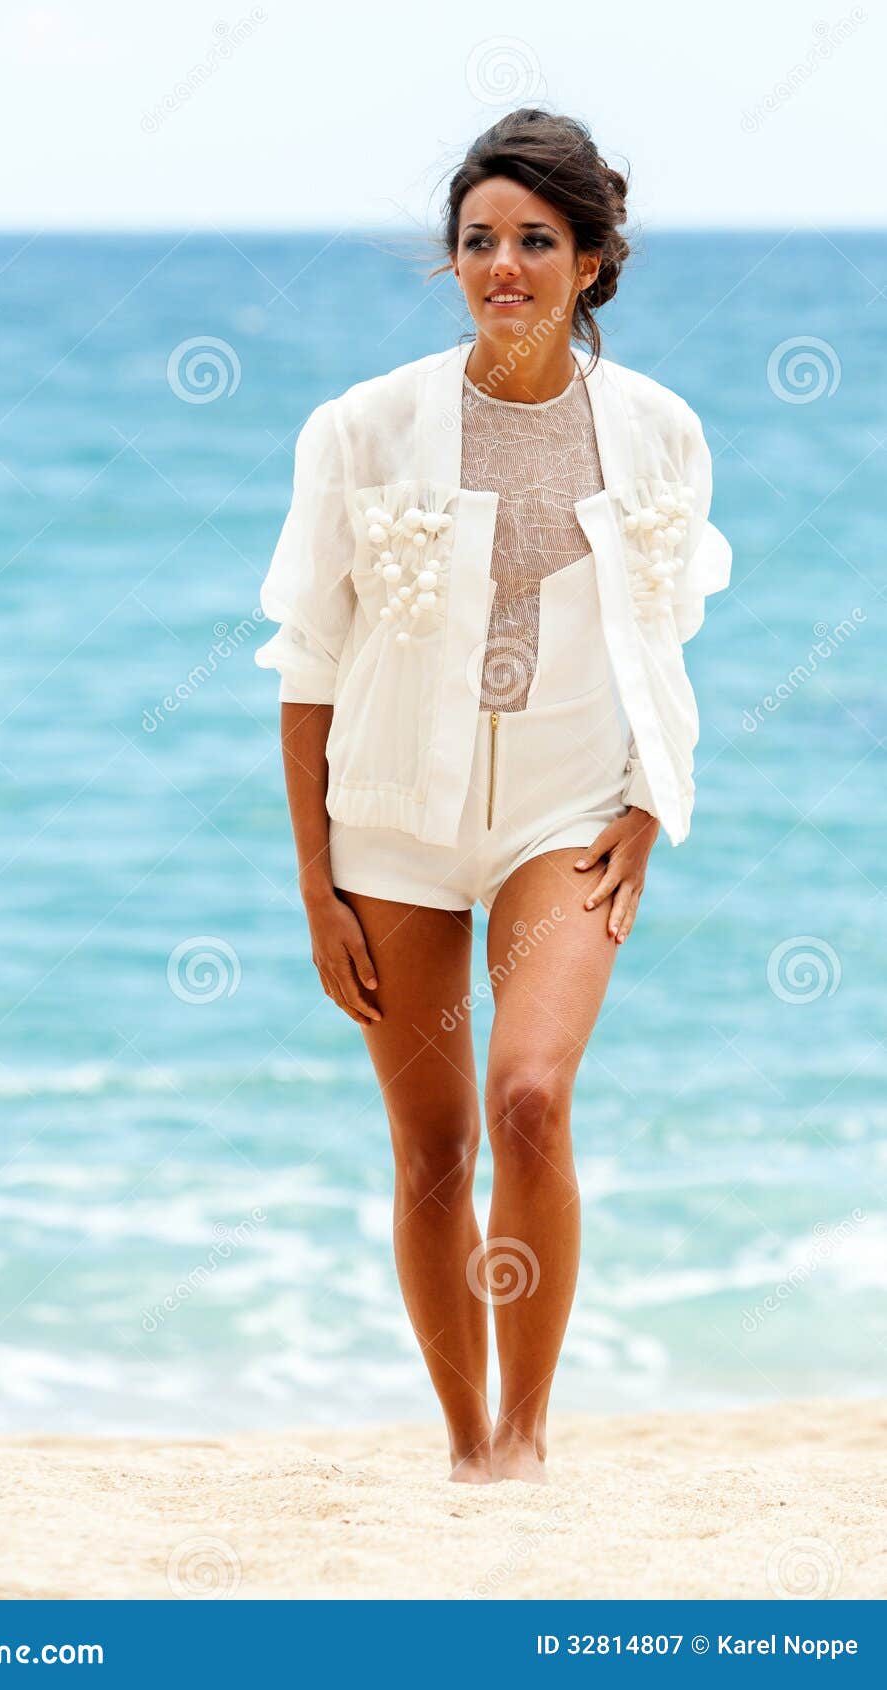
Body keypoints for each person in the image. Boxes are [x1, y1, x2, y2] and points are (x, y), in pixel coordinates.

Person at [254, 108, 732, 1484]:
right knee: (432, 1148)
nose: (502, 265)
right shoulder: (362, 427)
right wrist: (314, 880)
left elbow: (663, 629)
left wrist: (649, 802)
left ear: (591, 261)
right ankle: (468, 1445)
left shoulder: (659, 432)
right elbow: (309, 660)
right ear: (450, 260)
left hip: (567, 806)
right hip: (392, 817)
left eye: (535, 240)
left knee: (528, 1096)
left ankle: (527, 1436)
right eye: (478, 240)